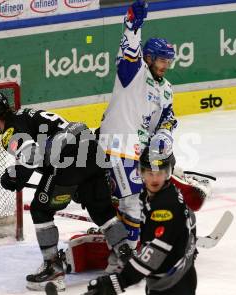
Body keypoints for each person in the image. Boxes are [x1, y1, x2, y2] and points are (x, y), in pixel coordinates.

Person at [0, 91, 117, 291]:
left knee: (40, 210)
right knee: (101, 210)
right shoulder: (25, 115)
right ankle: (124, 257)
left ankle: (53, 269)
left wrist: (14, 177)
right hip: (91, 149)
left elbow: (32, 158)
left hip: (69, 157)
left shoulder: (11, 130)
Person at [98, 0, 178, 271]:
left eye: (169, 61)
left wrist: (165, 134)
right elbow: (129, 47)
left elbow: (168, 117)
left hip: (140, 149)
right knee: (130, 200)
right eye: (162, 60)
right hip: (118, 141)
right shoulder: (133, 72)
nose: (166, 65)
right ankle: (121, 261)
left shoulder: (167, 88)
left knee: (138, 199)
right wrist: (133, 23)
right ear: (149, 57)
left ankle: (130, 245)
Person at [85, 147, 198, 295]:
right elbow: (191, 219)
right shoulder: (161, 193)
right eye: (150, 173)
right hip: (173, 276)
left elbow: (154, 255)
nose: (155, 179)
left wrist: (119, 281)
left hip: (172, 284)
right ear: (141, 173)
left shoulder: (164, 208)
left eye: (160, 173)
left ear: (167, 173)